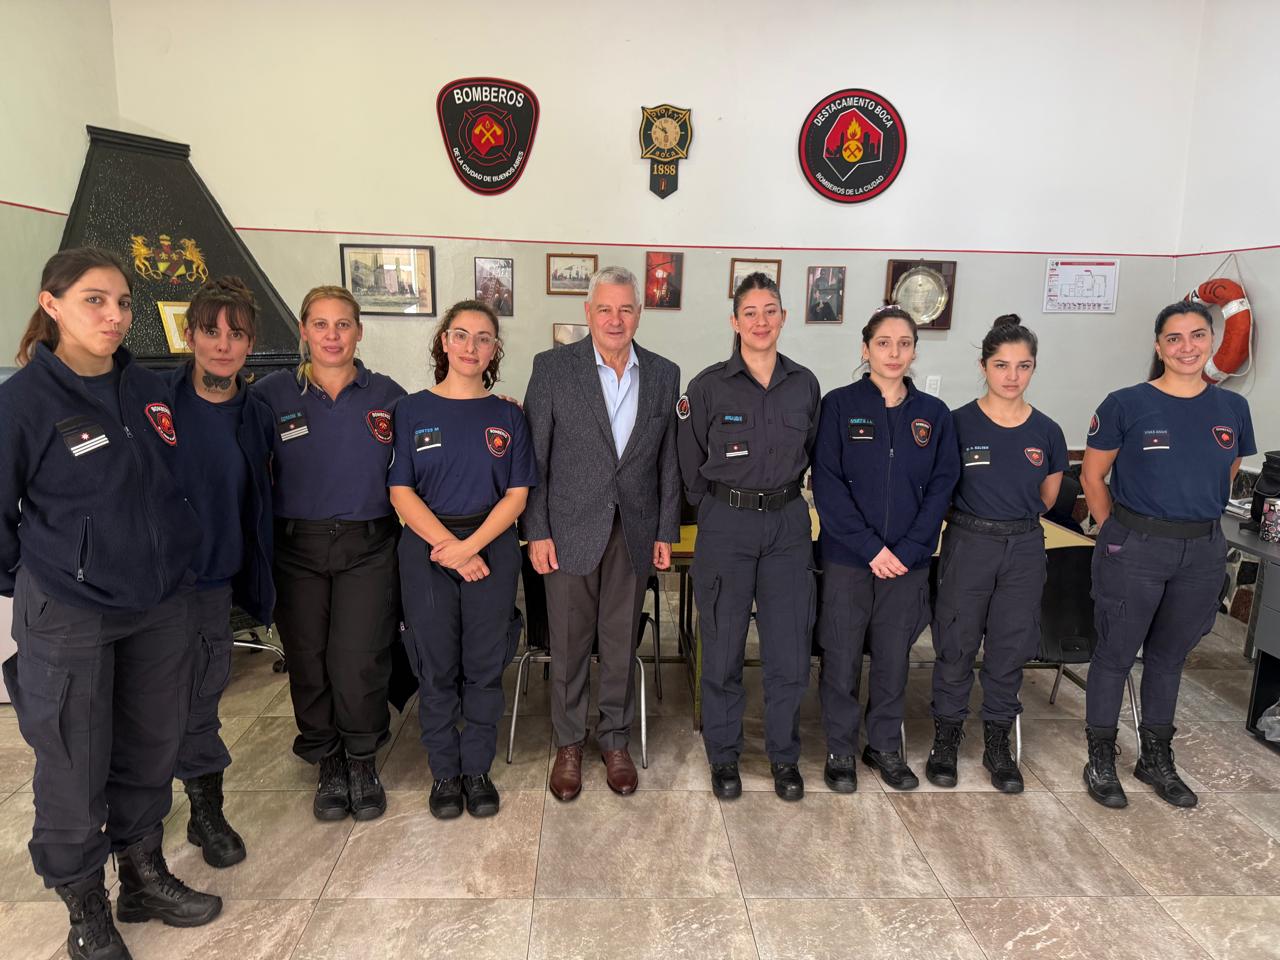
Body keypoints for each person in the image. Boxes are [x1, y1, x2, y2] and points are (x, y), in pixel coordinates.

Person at [0, 248, 221, 960]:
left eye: (124, 303)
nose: (115, 316)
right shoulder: (23, 402)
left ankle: (143, 874)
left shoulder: (147, 389)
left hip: (158, 605)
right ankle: (83, 903)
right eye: (96, 300)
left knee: (151, 746)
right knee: (73, 758)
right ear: (52, 304)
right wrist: (48, 576)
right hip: (70, 614)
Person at [1080, 300, 1254, 809]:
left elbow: (1225, 471)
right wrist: (1117, 531)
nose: (1186, 347)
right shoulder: (1126, 403)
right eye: (1174, 338)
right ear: (1158, 346)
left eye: (1197, 336)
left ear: (1211, 343)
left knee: (1169, 658)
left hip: (1201, 549)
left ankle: (1155, 756)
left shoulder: (1232, 409)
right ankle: (1101, 757)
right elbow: (1093, 476)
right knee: (1114, 654)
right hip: (1135, 545)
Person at [523, 265, 681, 800]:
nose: (616, 319)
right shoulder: (552, 369)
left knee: (619, 641)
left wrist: (665, 528)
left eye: (626, 308)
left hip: (632, 531)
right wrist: (537, 529)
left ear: (639, 314)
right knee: (568, 643)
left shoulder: (663, 373)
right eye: (606, 308)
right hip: (567, 531)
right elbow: (534, 460)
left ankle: (614, 739)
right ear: (588, 313)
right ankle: (569, 743)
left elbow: (667, 464)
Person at [256, 285, 406, 822]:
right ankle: (328, 761)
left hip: (369, 543)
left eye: (343, 324)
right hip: (295, 545)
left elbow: (424, 454)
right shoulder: (270, 395)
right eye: (320, 324)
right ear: (303, 331)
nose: (332, 335)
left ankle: (362, 758)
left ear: (360, 331)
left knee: (360, 656)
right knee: (308, 658)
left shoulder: (388, 395)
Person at [389, 300, 535, 820]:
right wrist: (448, 550)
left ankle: (476, 769)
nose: (472, 346)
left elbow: (517, 495)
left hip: (490, 545)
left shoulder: (509, 415)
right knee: (436, 665)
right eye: (461, 335)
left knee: (484, 664)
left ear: (495, 350)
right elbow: (400, 491)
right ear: (443, 341)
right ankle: (444, 773)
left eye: (484, 338)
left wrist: (471, 548)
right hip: (427, 546)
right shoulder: (410, 410)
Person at [677, 273, 820, 801]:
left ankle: (784, 757)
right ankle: (724, 756)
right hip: (727, 523)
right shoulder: (707, 386)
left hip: (786, 523)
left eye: (771, 310)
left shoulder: (804, 383)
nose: (761, 321)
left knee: (788, 649)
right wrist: (721, 506)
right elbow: (689, 464)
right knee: (722, 645)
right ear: (734, 321)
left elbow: (811, 453)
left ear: (783, 318)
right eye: (751, 312)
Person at [812, 305, 960, 791]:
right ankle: (839, 748)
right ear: (865, 348)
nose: (893, 353)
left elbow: (942, 486)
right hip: (848, 559)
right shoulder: (838, 404)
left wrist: (912, 547)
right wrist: (871, 548)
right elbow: (828, 485)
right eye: (883, 343)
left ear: (914, 351)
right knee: (842, 655)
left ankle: (883, 747)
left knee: (894, 657)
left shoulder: (934, 415)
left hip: (909, 563)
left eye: (903, 343)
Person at [927, 314, 1066, 792]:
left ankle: (997, 745)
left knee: (1009, 649)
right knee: (955, 645)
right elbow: (939, 491)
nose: (1012, 376)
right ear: (984, 366)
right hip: (968, 542)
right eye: (1002, 365)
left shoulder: (1046, 431)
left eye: (1023, 366)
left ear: (1033, 369)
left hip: (1024, 547)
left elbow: (1047, 497)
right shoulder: (956, 423)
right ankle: (945, 739)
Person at [164, 276, 276, 867]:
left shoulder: (256, 413)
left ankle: (206, 813)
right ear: (190, 335)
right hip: (149, 586)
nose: (222, 345)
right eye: (210, 331)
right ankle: (138, 811)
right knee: (142, 702)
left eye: (235, 334)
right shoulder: (153, 402)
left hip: (212, 583)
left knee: (202, 698)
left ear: (250, 343)